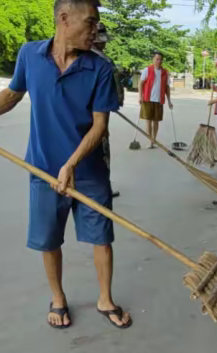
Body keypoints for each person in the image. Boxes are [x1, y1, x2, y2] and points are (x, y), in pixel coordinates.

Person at [0, 0, 132, 329]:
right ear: (63, 18)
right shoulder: (30, 55)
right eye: (90, 23)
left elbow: (99, 125)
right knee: (49, 240)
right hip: (43, 169)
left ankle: (105, 299)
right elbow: (13, 95)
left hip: (88, 172)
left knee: (101, 237)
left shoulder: (100, 68)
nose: (95, 30)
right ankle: (58, 298)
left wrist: (72, 163)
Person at [91, 22, 122, 198]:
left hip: (99, 109)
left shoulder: (93, 57)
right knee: (101, 148)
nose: (104, 43)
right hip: (98, 112)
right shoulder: (101, 61)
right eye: (101, 40)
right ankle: (103, 189)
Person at [138, 52, 173, 149]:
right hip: (147, 98)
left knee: (156, 121)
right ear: (153, 59)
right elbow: (141, 83)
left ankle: (154, 139)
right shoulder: (147, 70)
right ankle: (150, 140)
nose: (159, 61)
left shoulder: (165, 72)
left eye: (160, 59)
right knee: (148, 121)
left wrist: (169, 101)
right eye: (157, 59)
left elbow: (167, 87)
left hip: (159, 99)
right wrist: (140, 96)